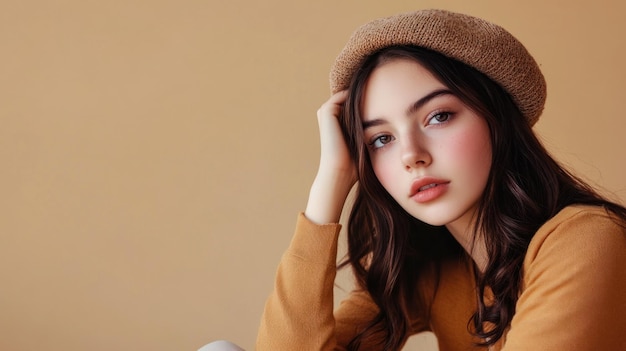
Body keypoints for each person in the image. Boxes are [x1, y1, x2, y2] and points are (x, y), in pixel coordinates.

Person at [256, 9, 626, 351]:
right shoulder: (425, 268)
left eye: (439, 116)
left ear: (496, 118)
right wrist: (329, 184)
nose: (410, 155)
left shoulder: (588, 238)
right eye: (381, 139)